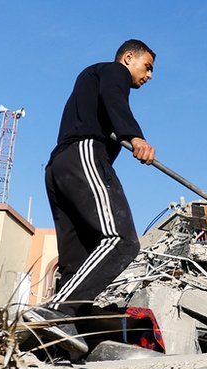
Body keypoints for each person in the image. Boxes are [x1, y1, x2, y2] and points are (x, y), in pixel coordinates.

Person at [30, 39, 157, 352]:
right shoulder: (114, 72)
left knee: (77, 262)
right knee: (122, 240)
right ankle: (58, 310)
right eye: (148, 67)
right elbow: (115, 98)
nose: (150, 76)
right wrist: (134, 136)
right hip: (83, 153)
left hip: (59, 167)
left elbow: (106, 103)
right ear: (129, 58)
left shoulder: (91, 83)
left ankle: (57, 346)